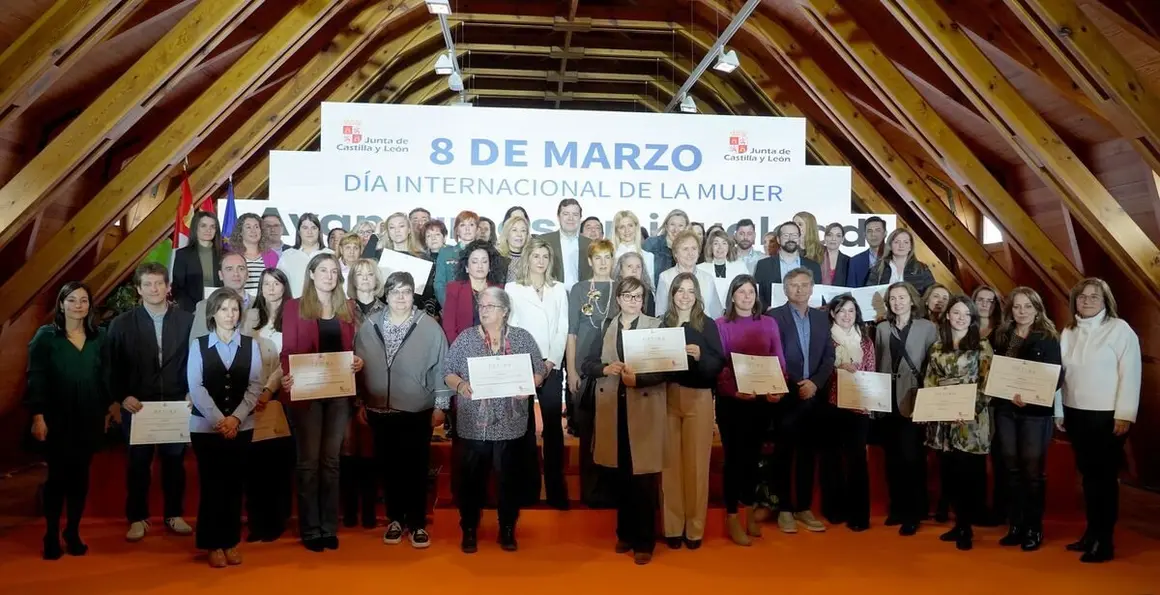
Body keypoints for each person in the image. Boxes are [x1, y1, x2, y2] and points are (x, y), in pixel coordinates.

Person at [444, 287, 546, 553]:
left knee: (507, 480)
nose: (484, 310)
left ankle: (508, 528)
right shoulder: (467, 338)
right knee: (471, 481)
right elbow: (448, 371)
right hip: (473, 424)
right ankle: (468, 528)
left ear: (505, 311)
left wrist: (530, 384)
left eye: (490, 306)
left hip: (510, 424)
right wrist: (461, 386)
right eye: (482, 306)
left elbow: (539, 371)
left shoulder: (523, 338)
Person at [355, 271, 451, 550]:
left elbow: (442, 366)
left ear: (414, 295)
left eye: (406, 292)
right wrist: (361, 402)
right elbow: (357, 368)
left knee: (416, 468)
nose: (400, 297)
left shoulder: (430, 327)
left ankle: (418, 522)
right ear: (385, 295)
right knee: (389, 467)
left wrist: (441, 405)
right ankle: (395, 520)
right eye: (395, 291)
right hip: (378, 409)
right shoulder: (369, 325)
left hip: (416, 409)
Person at [279, 253, 365, 552]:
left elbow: (352, 348)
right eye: (323, 270)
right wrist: (288, 377)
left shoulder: (348, 307)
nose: (329, 275)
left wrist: (356, 362)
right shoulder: (294, 307)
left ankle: (329, 526)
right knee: (308, 463)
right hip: (307, 394)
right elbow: (288, 349)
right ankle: (310, 528)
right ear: (311, 274)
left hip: (339, 394)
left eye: (333, 271)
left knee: (330, 462)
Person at [581, 277, 668, 565]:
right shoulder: (607, 326)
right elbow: (588, 363)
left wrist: (638, 378)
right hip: (612, 410)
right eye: (627, 296)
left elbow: (667, 368)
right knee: (620, 476)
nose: (632, 301)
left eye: (638, 297)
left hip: (643, 408)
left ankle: (645, 541)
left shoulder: (656, 327)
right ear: (618, 299)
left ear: (644, 300)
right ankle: (625, 533)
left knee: (643, 478)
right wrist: (605, 367)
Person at [107, 262, 195, 542]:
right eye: (148, 284)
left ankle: (174, 513)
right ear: (138, 289)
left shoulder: (187, 321)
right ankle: (137, 517)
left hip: (176, 403)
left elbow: (196, 361)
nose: (154, 289)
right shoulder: (121, 324)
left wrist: (191, 391)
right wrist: (122, 396)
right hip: (138, 405)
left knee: (174, 463)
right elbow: (110, 366)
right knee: (137, 465)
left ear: (168, 287)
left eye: (159, 283)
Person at [1057, 278, 1140, 563]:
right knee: (1088, 478)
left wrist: (1125, 414)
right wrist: (1059, 410)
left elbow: (1131, 374)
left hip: (1107, 416)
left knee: (1104, 480)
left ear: (1106, 301)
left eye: (1094, 296)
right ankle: (1091, 533)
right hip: (1075, 412)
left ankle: (1104, 541)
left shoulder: (1120, 330)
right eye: (1082, 297)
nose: (1088, 301)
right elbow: (1058, 375)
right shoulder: (1068, 332)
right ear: (1075, 301)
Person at [26, 281, 110, 560]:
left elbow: (105, 378)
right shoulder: (45, 337)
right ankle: (51, 533)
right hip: (56, 419)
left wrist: (108, 410)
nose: (78, 305)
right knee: (57, 479)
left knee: (80, 479)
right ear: (61, 304)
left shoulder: (100, 337)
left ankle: (72, 531)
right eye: (72, 300)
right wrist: (38, 417)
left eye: (83, 300)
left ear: (90, 305)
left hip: (88, 417)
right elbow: (35, 378)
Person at [186, 288, 262, 567]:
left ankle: (230, 542)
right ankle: (211, 543)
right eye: (224, 309)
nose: (230, 315)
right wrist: (221, 420)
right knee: (212, 486)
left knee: (234, 486)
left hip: (242, 427)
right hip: (206, 428)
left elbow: (255, 386)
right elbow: (196, 387)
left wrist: (237, 419)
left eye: (234, 309)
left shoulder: (251, 345)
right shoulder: (199, 345)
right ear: (213, 314)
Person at [715, 275, 786, 546]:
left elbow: (778, 358)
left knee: (754, 459)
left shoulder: (769, 323)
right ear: (732, 296)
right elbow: (719, 365)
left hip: (760, 401)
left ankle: (748, 512)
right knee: (735, 460)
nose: (746, 296)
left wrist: (778, 387)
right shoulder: (720, 325)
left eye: (751, 292)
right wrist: (733, 390)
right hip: (733, 401)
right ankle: (732, 515)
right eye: (741, 292)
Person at [988, 286, 1060, 552]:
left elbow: (1057, 376)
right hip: (1006, 409)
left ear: (1037, 308)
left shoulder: (1048, 336)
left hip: (1035, 413)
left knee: (1032, 471)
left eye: (1027, 306)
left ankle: (1033, 528)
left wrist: (1030, 395)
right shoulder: (1002, 335)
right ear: (1010, 310)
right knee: (1011, 469)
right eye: (1017, 307)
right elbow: (996, 369)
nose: (1022, 312)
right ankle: (1015, 525)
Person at [923, 295, 994, 551]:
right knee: (949, 474)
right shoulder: (937, 346)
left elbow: (987, 384)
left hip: (970, 421)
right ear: (948, 316)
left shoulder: (982, 345)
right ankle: (957, 523)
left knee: (968, 475)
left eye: (966, 313)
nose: (960, 317)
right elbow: (929, 380)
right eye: (956, 312)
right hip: (943, 419)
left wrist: (968, 408)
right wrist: (935, 407)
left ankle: (966, 526)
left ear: (972, 318)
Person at [768, 268, 835, 534]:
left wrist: (815, 383)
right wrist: (798, 383)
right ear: (785, 290)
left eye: (804, 285)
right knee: (783, 453)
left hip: (814, 397)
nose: (799, 290)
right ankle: (784, 508)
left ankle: (804, 506)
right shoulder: (774, 317)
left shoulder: (821, 318)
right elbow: (773, 355)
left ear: (812, 288)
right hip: (787, 394)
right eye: (793, 285)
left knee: (809, 454)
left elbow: (829, 356)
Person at [504, 237, 570, 508]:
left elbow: (562, 328)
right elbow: (513, 328)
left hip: (552, 366)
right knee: (525, 429)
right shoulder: (513, 288)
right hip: (523, 365)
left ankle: (556, 492)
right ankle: (527, 490)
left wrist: (550, 363)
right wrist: (531, 365)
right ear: (527, 259)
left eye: (545, 256)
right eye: (536, 256)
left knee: (553, 429)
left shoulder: (559, 289)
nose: (540, 261)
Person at [660, 273, 725, 550]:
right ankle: (672, 527)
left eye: (690, 291)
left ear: (697, 294)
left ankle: (694, 529)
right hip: (666, 397)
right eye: (680, 291)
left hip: (698, 398)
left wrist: (700, 357)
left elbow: (718, 363)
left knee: (697, 466)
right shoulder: (662, 324)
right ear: (672, 293)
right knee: (670, 466)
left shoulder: (707, 325)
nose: (685, 296)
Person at [874, 281, 938, 536]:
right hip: (887, 400)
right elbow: (879, 363)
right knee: (892, 459)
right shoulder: (881, 329)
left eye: (902, 298)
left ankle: (915, 511)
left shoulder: (928, 328)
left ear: (912, 300)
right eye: (893, 298)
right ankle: (897, 508)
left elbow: (933, 365)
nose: (897, 302)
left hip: (915, 400)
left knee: (912, 458)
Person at [245, 268, 294, 543]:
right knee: (254, 464)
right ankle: (256, 522)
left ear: (284, 287)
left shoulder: (295, 316)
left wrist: (267, 390)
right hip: (250, 399)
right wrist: (254, 393)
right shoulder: (250, 317)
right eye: (266, 284)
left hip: (280, 398)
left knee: (277, 464)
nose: (271, 288)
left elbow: (287, 359)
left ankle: (277, 520)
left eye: (276, 283)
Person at [567, 240, 617, 507]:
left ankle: (611, 490)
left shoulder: (621, 289)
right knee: (587, 433)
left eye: (607, 257)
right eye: (597, 257)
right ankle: (590, 492)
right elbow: (571, 332)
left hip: (613, 371)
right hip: (584, 372)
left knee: (611, 432)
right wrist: (572, 369)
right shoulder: (578, 289)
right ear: (589, 261)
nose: (602, 262)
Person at [823, 293, 875, 531]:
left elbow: (871, 371)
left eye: (851, 311)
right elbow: (820, 370)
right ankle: (834, 509)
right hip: (832, 406)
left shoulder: (865, 341)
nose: (846, 315)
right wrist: (837, 369)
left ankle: (859, 514)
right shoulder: (826, 339)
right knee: (832, 459)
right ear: (833, 313)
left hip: (859, 408)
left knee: (857, 461)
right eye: (842, 310)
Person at [341, 259, 383, 529]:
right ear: (353, 280)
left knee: (370, 451)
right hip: (345, 385)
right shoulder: (343, 309)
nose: (365, 279)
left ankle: (369, 510)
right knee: (347, 449)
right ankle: (348, 511)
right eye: (360, 275)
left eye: (370, 274)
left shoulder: (388, 308)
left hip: (377, 386)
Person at [442, 240, 505, 343]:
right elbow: (449, 328)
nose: (480, 266)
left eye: (484, 261)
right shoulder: (454, 289)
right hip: (463, 346)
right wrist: (460, 350)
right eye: (475, 262)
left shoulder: (499, 290)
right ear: (466, 267)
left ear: (490, 267)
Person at [754, 221, 823, 309]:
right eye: (786, 235)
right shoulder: (763, 265)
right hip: (773, 317)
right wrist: (766, 308)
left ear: (799, 238)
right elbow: (757, 294)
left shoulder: (814, 266)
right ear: (778, 240)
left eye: (794, 235)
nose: (790, 239)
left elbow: (816, 296)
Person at [656, 230, 723, 319]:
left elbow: (717, 313)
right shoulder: (665, 277)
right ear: (675, 253)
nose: (690, 253)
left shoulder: (707, 278)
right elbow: (660, 313)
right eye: (685, 249)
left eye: (694, 248)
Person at [192, 253, 253, 338]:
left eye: (241, 269)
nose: (236, 274)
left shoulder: (262, 305)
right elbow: (196, 345)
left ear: (247, 274)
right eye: (229, 269)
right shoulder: (204, 307)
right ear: (220, 275)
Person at [172, 211, 223, 312]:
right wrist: (193, 310)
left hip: (221, 308)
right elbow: (178, 289)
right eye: (203, 226)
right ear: (195, 228)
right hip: (193, 311)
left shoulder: (225, 255)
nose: (208, 230)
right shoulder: (183, 255)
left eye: (213, 226)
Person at [539, 199, 592, 291]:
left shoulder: (590, 244)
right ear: (558, 217)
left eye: (575, 215)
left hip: (582, 298)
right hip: (551, 296)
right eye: (566, 214)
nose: (570, 218)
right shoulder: (543, 241)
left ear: (580, 218)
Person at [277, 213, 333, 299]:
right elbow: (279, 284)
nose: (309, 232)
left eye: (314, 228)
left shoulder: (330, 254)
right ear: (299, 231)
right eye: (305, 228)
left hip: (325, 307)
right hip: (295, 307)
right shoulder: (287, 255)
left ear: (319, 231)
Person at [865, 229, 934, 295]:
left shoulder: (922, 268)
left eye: (906, 242)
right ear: (890, 246)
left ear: (910, 247)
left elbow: (931, 293)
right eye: (897, 242)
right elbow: (868, 293)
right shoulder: (878, 269)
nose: (901, 245)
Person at [434, 211, 479, 305]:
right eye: (462, 225)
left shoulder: (486, 253)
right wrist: (449, 307)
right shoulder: (446, 252)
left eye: (471, 224)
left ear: (477, 229)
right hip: (452, 306)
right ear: (457, 231)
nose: (467, 229)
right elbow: (439, 284)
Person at [229, 213, 279, 295]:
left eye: (256, 227)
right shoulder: (232, 256)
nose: (253, 230)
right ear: (240, 232)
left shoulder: (272, 256)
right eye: (248, 227)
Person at [696, 228, 748, 304]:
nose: (720, 247)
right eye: (716, 243)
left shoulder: (740, 267)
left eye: (724, 243)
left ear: (729, 246)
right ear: (710, 247)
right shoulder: (699, 269)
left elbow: (747, 289)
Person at [642, 209, 689, 286]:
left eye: (680, 225)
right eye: (672, 224)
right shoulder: (651, 244)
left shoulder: (689, 249)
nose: (676, 229)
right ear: (666, 226)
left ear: (686, 228)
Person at [611, 210, 656, 281]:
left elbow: (650, 287)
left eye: (630, 225)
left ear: (636, 227)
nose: (627, 230)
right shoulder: (610, 257)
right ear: (617, 231)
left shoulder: (648, 256)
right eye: (622, 227)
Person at [846, 216, 887, 287]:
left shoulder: (896, 256)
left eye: (878, 230)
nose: (873, 234)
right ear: (864, 235)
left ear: (885, 233)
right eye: (869, 231)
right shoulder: (855, 261)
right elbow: (851, 290)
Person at [612, 251, 656, 317]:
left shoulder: (648, 293)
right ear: (620, 270)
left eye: (638, 267)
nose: (634, 271)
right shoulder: (612, 291)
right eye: (630, 266)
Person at [497, 213, 530, 283]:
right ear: (507, 233)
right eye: (514, 230)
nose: (519, 234)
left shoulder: (531, 258)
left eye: (523, 230)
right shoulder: (497, 258)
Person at [819, 223, 851, 287]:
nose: (833, 239)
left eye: (838, 236)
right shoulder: (815, 257)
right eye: (830, 235)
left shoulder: (848, 261)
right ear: (825, 238)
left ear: (842, 239)